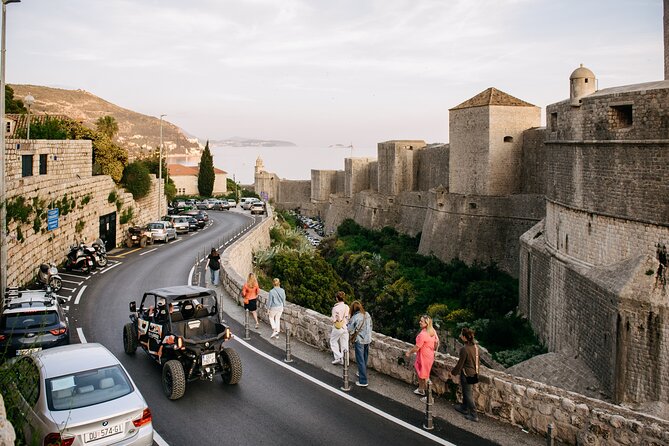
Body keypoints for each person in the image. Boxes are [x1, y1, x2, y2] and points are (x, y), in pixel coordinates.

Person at [405, 315, 439, 399]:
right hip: (429, 355)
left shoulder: (423, 334)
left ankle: (429, 397)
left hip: (424, 357)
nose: (419, 322)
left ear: (426, 323)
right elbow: (437, 342)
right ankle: (421, 389)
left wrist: (409, 352)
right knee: (421, 373)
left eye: (421, 321)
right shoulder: (432, 331)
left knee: (425, 376)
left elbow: (417, 347)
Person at [450, 327, 480, 422]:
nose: (459, 336)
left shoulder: (464, 349)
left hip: (466, 374)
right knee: (467, 391)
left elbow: (460, 364)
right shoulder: (475, 347)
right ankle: (464, 407)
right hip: (474, 373)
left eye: (461, 334)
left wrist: (453, 373)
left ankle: (474, 414)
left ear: (464, 337)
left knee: (468, 394)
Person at [347, 300, 372, 387]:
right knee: (364, 358)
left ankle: (363, 381)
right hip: (368, 339)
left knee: (360, 359)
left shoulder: (355, 317)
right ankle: (361, 372)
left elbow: (350, 330)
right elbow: (371, 326)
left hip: (360, 340)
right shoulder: (367, 314)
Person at [330, 291, 350, 365]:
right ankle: (345, 361)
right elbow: (348, 317)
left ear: (337, 299)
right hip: (345, 327)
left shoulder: (335, 308)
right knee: (345, 344)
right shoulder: (347, 307)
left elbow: (333, 320)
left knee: (333, 341)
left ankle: (338, 357)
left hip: (338, 327)